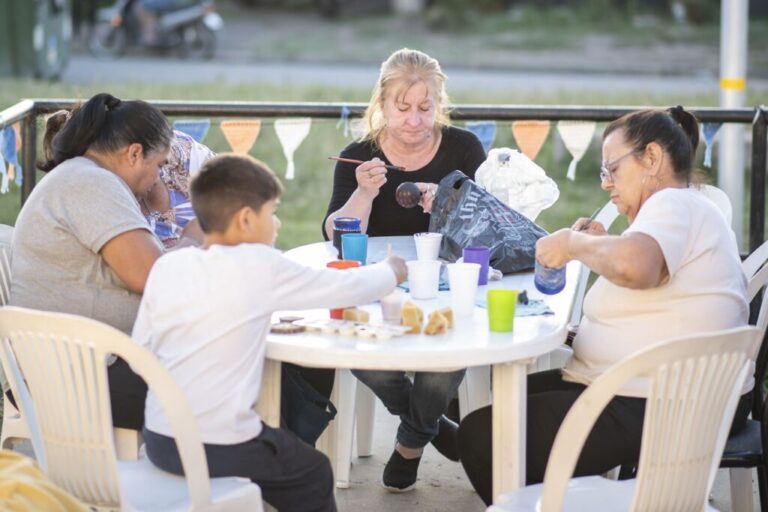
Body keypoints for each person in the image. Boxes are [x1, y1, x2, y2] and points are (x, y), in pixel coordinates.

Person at [457, 106, 751, 505]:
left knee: (484, 437)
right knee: (506, 403)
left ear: (652, 158)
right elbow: (656, 292)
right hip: (664, 391)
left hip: (664, 404)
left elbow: (637, 267)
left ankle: (532, 495)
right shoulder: (682, 210)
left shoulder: (673, 203)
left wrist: (574, 243)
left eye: (612, 169)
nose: (607, 185)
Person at [133, 154, 407, 512]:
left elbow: (142, 349)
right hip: (218, 445)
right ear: (246, 219)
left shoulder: (168, 265)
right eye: (272, 212)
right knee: (313, 471)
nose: (276, 224)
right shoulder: (259, 265)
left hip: (159, 438)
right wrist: (391, 271)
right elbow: (343, 286)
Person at [322, 47, 487, 492]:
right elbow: (331, 232)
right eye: (403, 108)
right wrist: (363, 195)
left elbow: (487, 226)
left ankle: (411, 444)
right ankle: (432, 425)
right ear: (382, 105)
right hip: (381, 287)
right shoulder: (359, 154)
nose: (414, 120)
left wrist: (449, 207)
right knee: (352, 342)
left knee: (451, 352)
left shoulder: (464, 147)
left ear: (439, 104)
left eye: (425, 108)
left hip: (448, 284)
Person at [10, 93, 172, 431]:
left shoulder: (87, 178)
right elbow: (155, 277)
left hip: (72, 366)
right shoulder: (91, 183)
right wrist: (198, 235)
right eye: (159, 166)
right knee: (229, 377)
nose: (159, 178)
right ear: (134, 153)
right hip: (78, 377)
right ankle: (255, 470)